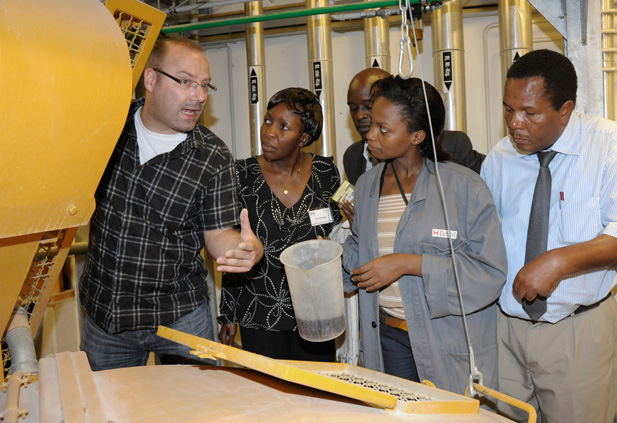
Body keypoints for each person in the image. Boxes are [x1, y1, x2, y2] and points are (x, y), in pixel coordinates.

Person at [479, 49, 617, 422]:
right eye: (509, 110)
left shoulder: (610, 145)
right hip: (505, 330)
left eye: (529, 112)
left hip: (578, 333)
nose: (515, 123)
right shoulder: (499, 159)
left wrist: (557, 262)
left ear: (565, 109)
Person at [78, 35, 263, 371]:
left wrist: (244, 249)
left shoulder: (213, 157)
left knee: (194, 412)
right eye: (186, 82)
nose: (199, 96)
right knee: (107, 412)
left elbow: (219, 233)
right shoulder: (107, 128)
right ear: (151, 79)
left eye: (205, 85)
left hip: (179, 317)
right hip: (107, 315)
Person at [341, 75, 507, 395]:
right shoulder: (366, 185)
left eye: (383, 129)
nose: (370, 135)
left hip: (447, 339)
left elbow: (489, 272)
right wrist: (330, 260)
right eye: (371, 124)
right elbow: (360, 247)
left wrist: (407, 263)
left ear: (417, 135)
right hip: (387, 339)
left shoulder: (463, 187)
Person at [217, 88, 342, 361]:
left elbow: (337, 239)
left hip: (315, 313)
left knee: (316, 396)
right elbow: (233, 246)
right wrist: (229, 314)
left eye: (283, 127)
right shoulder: (241, 175)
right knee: (269, 399)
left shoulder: (325, 172)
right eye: (267, 120)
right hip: (258, 310)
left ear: (304, 138)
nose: (268, 132)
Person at [343, 67, 485, 186]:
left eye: (369, 106)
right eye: (353, 108)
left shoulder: (454, 147)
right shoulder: (353, 158)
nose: (359, 115)